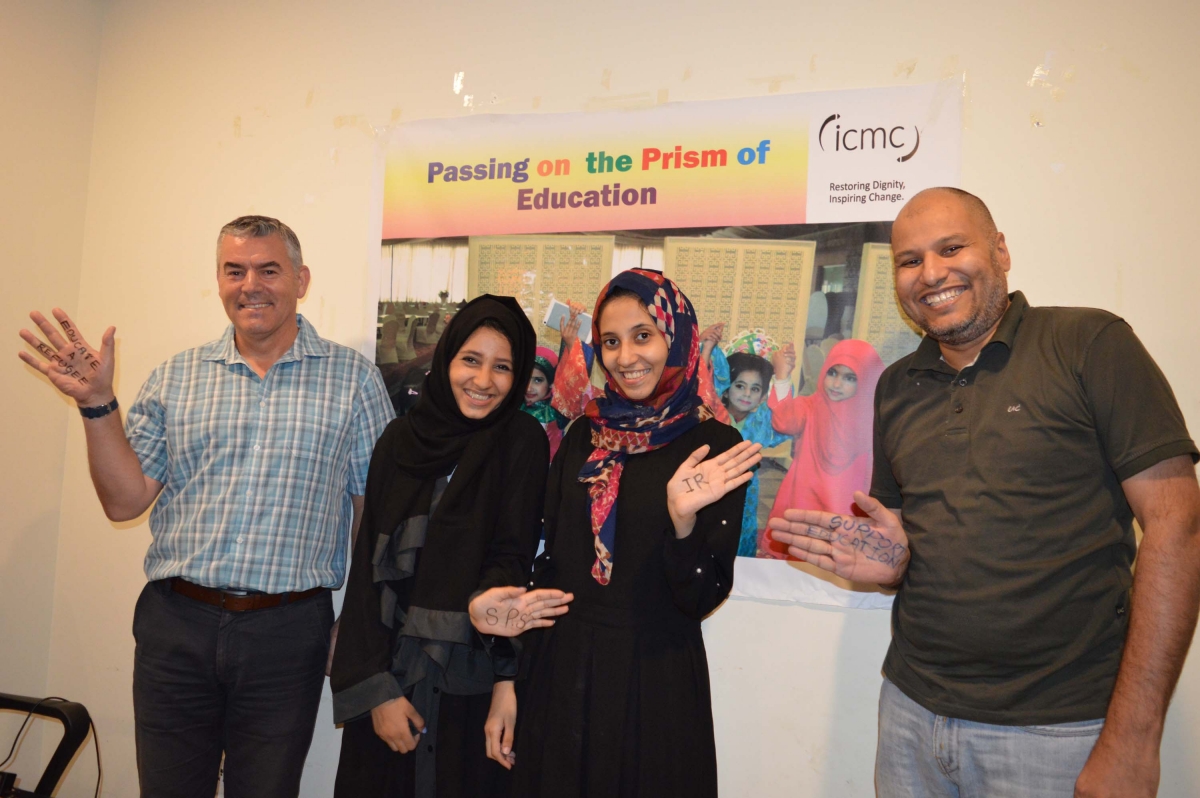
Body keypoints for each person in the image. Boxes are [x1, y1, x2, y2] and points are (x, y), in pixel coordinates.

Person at [769, 188, 1200, 798]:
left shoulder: (1088, 345)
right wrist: (889, 565)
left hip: (1059, 733)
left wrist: (1133, 739)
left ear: (999, 250)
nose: (932, 273)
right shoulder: (895, 387)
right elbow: (903, 542)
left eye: (951, 248)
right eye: (910, 260)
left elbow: (1178, 529)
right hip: (911, 715)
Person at [17, 215, 395, 798]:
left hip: (289, 631)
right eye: (234, 270)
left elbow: (375, 515)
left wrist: (361, 623)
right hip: (176, 626)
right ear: (218, 280)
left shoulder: (355, 382)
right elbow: (124, 502)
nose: (251, 285)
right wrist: (98, 405)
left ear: (301, 279)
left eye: (269, 270)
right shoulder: (177, 377)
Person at [510, 268, 762, 798]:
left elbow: (701, 595)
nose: (626, 358)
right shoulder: (584, 435)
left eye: (643, 336)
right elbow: (551, 565)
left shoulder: (715, 445)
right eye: (611, 341)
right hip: (565, 673)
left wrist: (683, 520)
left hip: (656, 682)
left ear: (678, 336)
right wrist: (511, 680)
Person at [329, 295, 570, 798]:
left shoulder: (520, 441)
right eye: (471, 360)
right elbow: (368, 569)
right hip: (393, 671)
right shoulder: (400, 440)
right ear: (447, 359)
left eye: (502, 367)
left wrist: (507, 682)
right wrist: (376, 691)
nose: (484, 381)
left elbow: (512, 561)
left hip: (472, 671)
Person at [758, 337, 883, 558]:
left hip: (847, 505)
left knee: (837, 565)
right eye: (832, 373)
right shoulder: (812, 405)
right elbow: (785, 421)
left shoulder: (872, 419)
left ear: (865, 380)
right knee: (798, 557)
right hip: (804, 498)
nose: (836, 384)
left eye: (849, 378)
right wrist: (782, 376)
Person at [705, 330, 794, 556]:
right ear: (726, 389)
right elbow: (704, 388)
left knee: (739, 544)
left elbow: (783, 425)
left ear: (763, 396)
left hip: (745, 498)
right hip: (708, 494)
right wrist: (707, 349)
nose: (746, 394)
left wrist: (783, 375)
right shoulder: (711, 416)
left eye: (755, 389)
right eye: (739, 385)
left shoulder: (759, 423)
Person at [521, 345, 569, 461]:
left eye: (538, 380)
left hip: (545, 470)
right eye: (525, 378)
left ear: (552, 382)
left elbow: (574, 388)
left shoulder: (556, 409)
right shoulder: (513, 404)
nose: (529, 387)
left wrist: (571, 345)